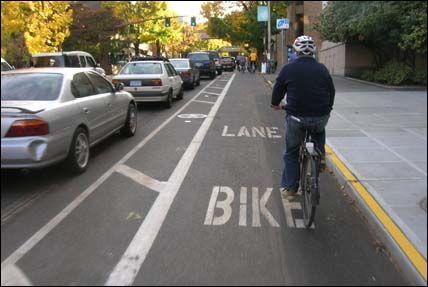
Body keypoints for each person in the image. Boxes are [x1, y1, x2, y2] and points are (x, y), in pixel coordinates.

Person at [271, 35, 335, 199]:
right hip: (321, 116)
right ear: (313, 51)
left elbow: (278, 90)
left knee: (291, 152)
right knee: (319, 129)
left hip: (296, 118)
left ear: (296, 51)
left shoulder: (288, 68)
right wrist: (328, 108)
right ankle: (320, 154)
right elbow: (331, 91)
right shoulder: (322, 69)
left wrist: (275, 104)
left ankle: (291, 188)